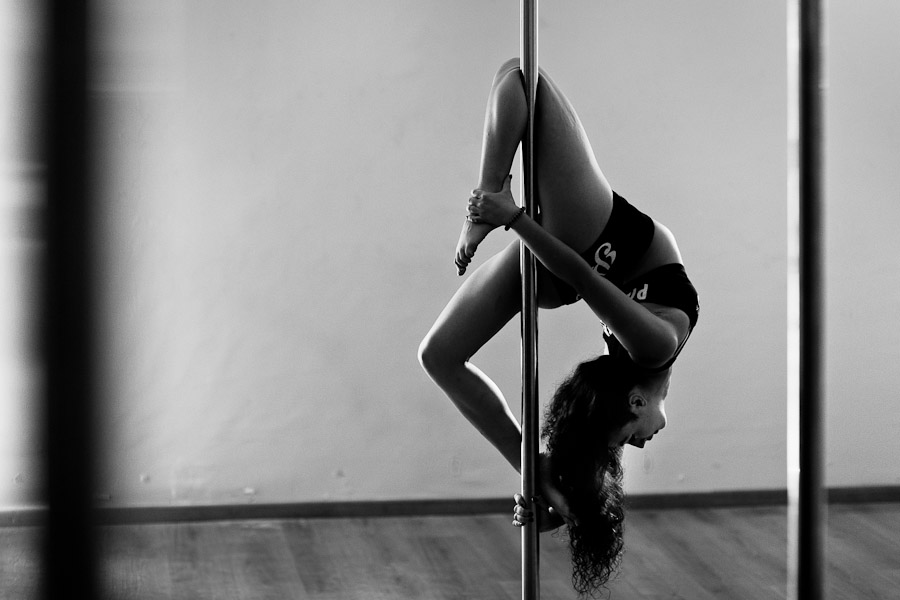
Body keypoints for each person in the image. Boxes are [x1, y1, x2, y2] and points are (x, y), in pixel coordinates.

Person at [418, 58, 699, 595]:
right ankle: (532, 463)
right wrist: (555, 487)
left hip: (591, 243)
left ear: (636, 405)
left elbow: (582, 272)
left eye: (627, 442)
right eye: (628, 446)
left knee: (525, 78)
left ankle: (485, 199)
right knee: (439, 356)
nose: (636, 446)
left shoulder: (653, 349)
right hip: (573, 258)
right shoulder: (654, 346)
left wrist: (511, 216)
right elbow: (577, 279)